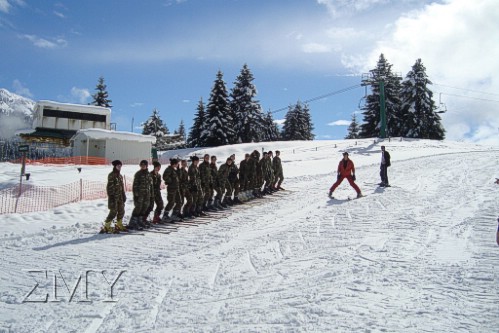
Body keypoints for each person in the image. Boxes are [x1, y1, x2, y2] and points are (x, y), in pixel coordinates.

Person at [102, 160, 127, 233]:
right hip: (113, 197)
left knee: (121, 210)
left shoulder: (120, 176)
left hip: (120, 197)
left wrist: (123, 195)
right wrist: (112, 197)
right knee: (113, 211)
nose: (119, 167)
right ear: (115, 166)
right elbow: (109, 187)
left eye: (120, 166)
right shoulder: (111, 175)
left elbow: (122, 187)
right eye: (118, 166)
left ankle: (119, 224)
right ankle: (107, 226)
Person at [130, 160, 152, 230]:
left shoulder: (148, 174)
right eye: (141, 165)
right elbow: (135, 185)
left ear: (146, 166)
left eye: (144, 165)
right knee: (138, 207)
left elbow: (150, 184)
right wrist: (136, 194)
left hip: (147, 194)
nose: (143, 166)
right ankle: (133, 222)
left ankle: (140, 220)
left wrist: (150, 193)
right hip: (140, 194)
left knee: (145, 207)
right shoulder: (138, 174)